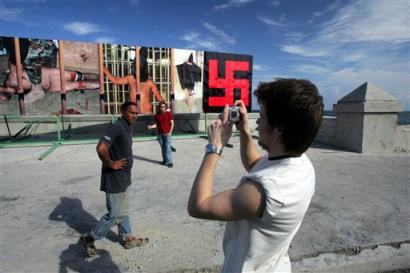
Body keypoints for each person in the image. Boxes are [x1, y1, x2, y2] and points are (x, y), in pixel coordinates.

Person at [187, 78, 323, 272]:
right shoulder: (301, 164)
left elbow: (198, 206)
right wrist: (244, 131)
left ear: (278, 129)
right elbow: (254, 164)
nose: (257, 121)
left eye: (263, 116)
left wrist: (215, 145)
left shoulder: (261, 193)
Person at [80, 101, 149, 257]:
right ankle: (89, 237)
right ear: (122, 112)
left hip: (124, 177)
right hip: (115, 178)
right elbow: (101, 147)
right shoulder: (117, 127)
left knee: (123, 208)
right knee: (116, 214)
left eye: (137, 113)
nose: (135, 116)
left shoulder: (127, 127)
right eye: (131, 112)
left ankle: (127, 237)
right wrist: (111, 163)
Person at [0, 62, 99, 103]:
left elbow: (15, 61)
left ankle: (104, 77)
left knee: (81, 76)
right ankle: (106, 83)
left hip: (50, 74)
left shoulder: (12, 77)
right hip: (51, 86)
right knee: (80, 85)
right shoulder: (20, 94)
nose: (1, 101)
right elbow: (38, 93)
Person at [147, 101, 174, 168]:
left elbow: (172, 123)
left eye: (164, 106)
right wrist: (151, 126)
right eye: (161, 107)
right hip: (160, 134)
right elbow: (157, 125)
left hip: (167, 134)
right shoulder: (157, 115)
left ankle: (170, 162)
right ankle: (165, 160)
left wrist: (170, 132)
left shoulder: (169, 114)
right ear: (159, 107)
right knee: (163, 148)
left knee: (168, 148)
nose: (163, 108)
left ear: (165, 107)